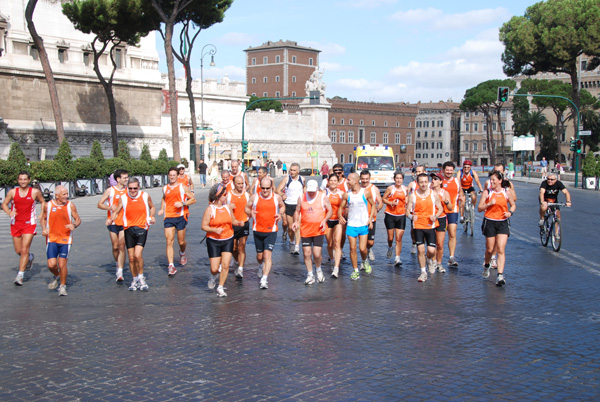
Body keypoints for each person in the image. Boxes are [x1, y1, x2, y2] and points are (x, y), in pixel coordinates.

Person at [112, 178, 156, 291]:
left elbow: (152, 207)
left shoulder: (145, 196)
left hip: (142, 228)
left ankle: (141, 278)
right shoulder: (123, 198)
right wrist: (111, 219)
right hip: (128, 229)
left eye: (135, 188)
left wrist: (151, 217)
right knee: (131, 258)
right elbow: (117, 210)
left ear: (139, 187)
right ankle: (134, 279)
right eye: (130, 188)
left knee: (137, 255)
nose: (132, 191)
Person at [2, 171, 45, 286]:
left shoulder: (34, 192)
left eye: (25, 179)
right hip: (16, 223)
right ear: (18, 180)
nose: (23, 181)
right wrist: (9, 212)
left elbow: (42, 201)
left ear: (29, 180)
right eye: (21, 179)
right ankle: (30, 257)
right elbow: (4, 204)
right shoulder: (12, 192)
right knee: (19, 251)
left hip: (29, 223)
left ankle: (20, 275)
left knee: (24, 249)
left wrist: (41, 214)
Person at [245, 177, 286, 289]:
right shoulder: (254, 197)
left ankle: (264, 279)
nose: (265, 190)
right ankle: (260, 265)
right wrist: (250, 212)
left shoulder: (276, 197)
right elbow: (246, 208)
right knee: (260, 256)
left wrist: (280, 214)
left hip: (271, 231)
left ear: (271, 187)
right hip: (258, 230)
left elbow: (282, 206)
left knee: (267, 255)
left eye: (267, 188)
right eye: (262, 188)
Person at [41, 185, 81, 296]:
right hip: (52, 238)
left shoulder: (70, 205)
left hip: (65, 239)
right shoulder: (48, 205)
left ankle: (62, 287)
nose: (66, 196)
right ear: (57, 195)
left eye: (67, 194)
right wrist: (44, 229)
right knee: (51, 265)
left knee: (62, 263)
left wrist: (74, 225)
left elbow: (77, 219)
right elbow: (43, 219)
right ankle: (57, 276)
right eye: (64, 194)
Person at [479, 171, 516, 286]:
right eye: (491, 180)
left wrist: (510, 212)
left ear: (500, 181)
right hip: (489, 222)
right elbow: (480, 208)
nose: (492, 182)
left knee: (500, 249)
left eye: (494, 180)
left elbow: (513, 204)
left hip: (502, 222)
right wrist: (489, 204)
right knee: (490, 249)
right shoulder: (487, 192)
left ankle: (500, 275)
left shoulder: (506, 192)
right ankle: (486, 265)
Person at [201, 183, 239, 297]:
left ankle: (220, 287)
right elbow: (204, 226)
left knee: (226, 265)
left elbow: (233, 221)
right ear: (218, 196)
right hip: (213, 240)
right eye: (224, 194)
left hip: (228, 239)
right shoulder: (210, 209)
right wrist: (214, 230)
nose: (226, 196)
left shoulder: (228, 207)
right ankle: (213, 276)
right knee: (214, 268)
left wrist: (241, 222)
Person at [292, 180, 332, 285]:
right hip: (305, 230)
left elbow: (330, 211)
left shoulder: (323, 197)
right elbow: (297, 210)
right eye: (309, 191)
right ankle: (310, 274)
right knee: (306, 253)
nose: (311, 193)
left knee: (317, 254)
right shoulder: (301, 197)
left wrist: (324, 220)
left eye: (313, 191)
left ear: (317, 188)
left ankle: (318, 270)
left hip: (319, 229)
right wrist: (296, 221)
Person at [158, 167, 196, 276]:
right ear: (168, 176)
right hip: (168, 216)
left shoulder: (182, 187)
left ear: (177, 176)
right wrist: (161, 209)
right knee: (169, 241)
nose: (172, 177)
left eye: (174, 175)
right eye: (170, 175)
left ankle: (182, 252)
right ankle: (171, 266)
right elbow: (164, 198)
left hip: (180, 216)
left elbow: (193, 199)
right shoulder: (165, 188)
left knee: (181, 241)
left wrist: (183, 203)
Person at [338, 173, 376, 280]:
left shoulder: (366, 193)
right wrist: (340, 216)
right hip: (351, 225)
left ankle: (364, 261)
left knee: (363, 249)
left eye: (349, 180)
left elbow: (373, 205)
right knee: (352, 248)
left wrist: (370, 218)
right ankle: (355, 270)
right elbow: (340, 208)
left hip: (363, 224)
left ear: (355, 181)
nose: (347, 181)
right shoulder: (347, 194)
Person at [405, 173, 443, 282]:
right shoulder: (413, 195)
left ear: (429, 182)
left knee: (431, 251)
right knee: (420, 249)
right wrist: (412, 216)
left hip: (430, 226)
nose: (423, 184)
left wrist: (435, 216)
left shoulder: (433, 194)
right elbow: (407, 211)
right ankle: (423, 272)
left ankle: (430, 259)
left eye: (425, 182)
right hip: (418, 226)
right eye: (421, 182)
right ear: (417, 182)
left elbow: (440, 208)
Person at [97, 169, 129, 282]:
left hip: (125, 222)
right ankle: (118, 263)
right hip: (112, 221)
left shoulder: (129, 191)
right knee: (115, 246)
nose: (127, 179)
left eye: (127, 177)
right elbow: (99, 204)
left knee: (121, 245)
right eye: (124, 178)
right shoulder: (110, 191)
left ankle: (120, 271)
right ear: (118, 179)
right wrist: (109, 208)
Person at [276, 162, 305, 255]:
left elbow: (305, 191)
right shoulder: (286, 179)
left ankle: (296, 246)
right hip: (289, 204)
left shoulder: (302, 179)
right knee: (290, 227)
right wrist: (282, 194)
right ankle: (292, 240)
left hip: (298, 205)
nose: (292, 172)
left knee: (297, 226)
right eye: (291, 170)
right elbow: (278, 190)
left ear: (298, 171)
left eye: (294, 170)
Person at [441, 161, 464, 268]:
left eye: (451, 170)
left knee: (452, 233)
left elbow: (461, 193)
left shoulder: (456, 181)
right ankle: (437, 258)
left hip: (453, 210)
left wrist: (461, 197)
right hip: (441, 211)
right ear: (443, 170)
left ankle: (451, 257)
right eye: (447, 170)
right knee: (440, 237)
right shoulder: (439, 180)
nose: (449, 172)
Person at [227, 175, 250, 278]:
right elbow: (226, 209)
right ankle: (236, 261)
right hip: (232, 224)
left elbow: (250, 207)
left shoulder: (247, 195)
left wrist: (251, 214)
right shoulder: (229, 195)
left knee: (242, 247)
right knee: (233, 248)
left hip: (244, 224)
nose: (241, 185)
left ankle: (240, 268)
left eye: (242, 183)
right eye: (239, 183)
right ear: (234, 184)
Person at [382, 171, 407, 267]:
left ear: (403, 179)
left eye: (400, 178)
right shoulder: (390, 189)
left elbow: (408, 200)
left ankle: (397, 258)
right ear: (394, 179)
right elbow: (384, 199)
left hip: (401, 215)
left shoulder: (405, 189)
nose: (399, 180)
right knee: (390, 238)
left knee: (398, 238)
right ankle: (390, 247)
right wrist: (391, 203)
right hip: (390, 215)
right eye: (397, 178)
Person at [359, 169, 383, 264]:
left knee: (370, 242)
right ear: (360, 179)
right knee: (362, 243)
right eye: (363, 179)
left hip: (371, 219)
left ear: (369, 178)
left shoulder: (374, 189)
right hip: (360, 220)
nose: (365, 181)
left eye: (366, 179)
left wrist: (377, 209)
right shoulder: (358, 188)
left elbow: (380, 203)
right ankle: (363, 261)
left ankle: (369, 250)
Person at [324, 174, 344, 278]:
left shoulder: (342, 193)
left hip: (338, 221)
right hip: (327, 220)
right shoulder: (324, 193)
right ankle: (332, 258)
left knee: (337, 243)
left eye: (335, 181)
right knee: (330, 244)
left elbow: (347, 206)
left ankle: (336, 268)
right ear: (328, 181)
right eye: (331, 180)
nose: (333, 182)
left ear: (338, 182)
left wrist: (344, 215)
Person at [430, 172, 451, 273]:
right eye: (432, 179)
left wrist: (446, 202)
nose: (433, 181)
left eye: (435, 179)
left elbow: (450, 208)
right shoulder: (428, 191)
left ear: (441, 181)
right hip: (431, 219)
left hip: (442, 219)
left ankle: (439, 263)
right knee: (432, 243)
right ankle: (433, 262)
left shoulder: (444, 193)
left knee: (440, 244)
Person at [407, 165, 425, 254]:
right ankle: (414, 243)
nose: (418, 173)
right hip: (414, 210)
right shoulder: (412, 184)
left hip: (425, 209)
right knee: (413, 229)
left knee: (425, 228)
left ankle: (422, 245)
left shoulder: (428, 184)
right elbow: (406, 195)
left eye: (420, 172)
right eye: (417, 172)